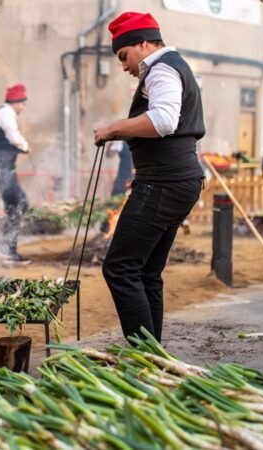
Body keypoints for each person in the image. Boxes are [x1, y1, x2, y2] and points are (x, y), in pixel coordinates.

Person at [93, 12, 205, 342]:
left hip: (165, 183)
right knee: (147, 272)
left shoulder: (163, 68)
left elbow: (165, 120)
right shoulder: (169, 66)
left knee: (120, 268)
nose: (124, 65)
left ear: (142, 43)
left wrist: (113, 128)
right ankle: (153, 359)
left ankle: (144, 358)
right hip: (175, 181)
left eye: (123, 56)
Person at [0, 84, 32, 265]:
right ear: (16, 102)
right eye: (23, 103)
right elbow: (13, 136)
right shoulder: (5, 113)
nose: (24, 107)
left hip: (4, 169)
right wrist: (25, 146)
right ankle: (4, 245)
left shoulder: (6, 113)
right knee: (20, 203)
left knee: (16, 205)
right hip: (0, 169)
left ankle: (7, 247)